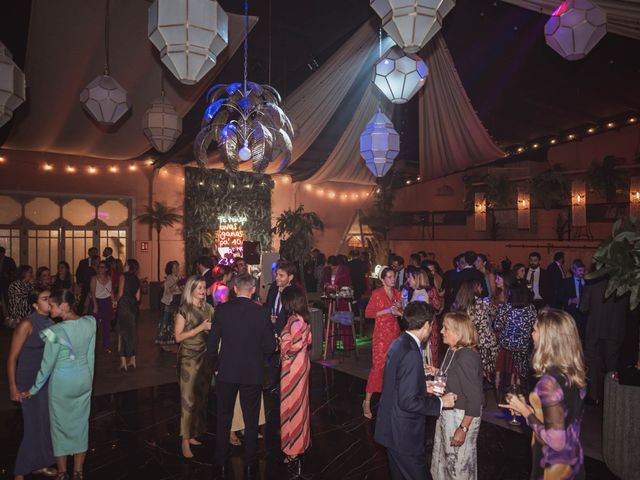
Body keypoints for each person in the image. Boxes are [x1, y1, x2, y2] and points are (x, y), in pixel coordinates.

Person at [500, 309, 587, 480]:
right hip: (574, 461)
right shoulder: (573, 372)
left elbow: (556, 440)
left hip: (552, 467)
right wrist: (530, 408)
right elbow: (563, 413)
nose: (531, 335)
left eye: (534, 330)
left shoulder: (549, 382)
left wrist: (526, 412)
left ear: (547, 338)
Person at [375, 302, 456, 480]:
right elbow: (408, 401)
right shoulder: (411, 352)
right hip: (404, 435)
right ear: (427, 324)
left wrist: (421, 382)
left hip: (390, 428)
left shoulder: (399, 342)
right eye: (433, 325)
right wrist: (442, 402)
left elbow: (396, 383)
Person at [22, 289, 96, 480]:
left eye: (52, 305)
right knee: (81, 426)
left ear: (63, 306)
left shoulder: (55, 332)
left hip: (62, 385)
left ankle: (62, 473)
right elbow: (90, 356)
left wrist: (33, 389)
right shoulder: (90, 323)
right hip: (83, 380)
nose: (50, 309)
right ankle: (78, 472)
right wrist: (89, 380)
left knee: (59, 428)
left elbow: (46, 366)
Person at [208, 274, 277, 474]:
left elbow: (212, 345)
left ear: (235, 289)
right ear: (253, 290)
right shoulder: (261, 312)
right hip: (252, 372)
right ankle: (249, 459)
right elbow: (269, 347)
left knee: (223, 416)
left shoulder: (222, 310)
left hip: (226, 371)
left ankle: (219, 459)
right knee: (251, 417)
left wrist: (215, 367)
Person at [7, 287, 57, 479]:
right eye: (45, 299)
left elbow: (56, 350)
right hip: (27, 380)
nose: (49, 301)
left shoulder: (50, 322)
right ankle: (20, 471)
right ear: (35, 305)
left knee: (44, 422)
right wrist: (13, 387)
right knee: (33, 425)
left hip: (44, 379)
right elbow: (11, 358)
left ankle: (41, 463)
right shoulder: (26, 324)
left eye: (50, 298)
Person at [431, 312, 484, 480]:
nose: (441, 331)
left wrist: (463, 428)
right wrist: (437, 373)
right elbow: (454, 377)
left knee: (458, 467)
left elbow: (475, 399)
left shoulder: (466, 356)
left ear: (458, 332)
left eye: (446, 328)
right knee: (444, 461)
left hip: (461, 416)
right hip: (448, 411)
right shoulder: (452, 350)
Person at [173, 276, 213, 458]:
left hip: (204, 357)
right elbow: (178, 337)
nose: (203, 291)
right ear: (191, 290)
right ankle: (184, 441)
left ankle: (194, 433)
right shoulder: (183, 310)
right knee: (187, 400)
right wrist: (200, 328)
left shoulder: (209, 309)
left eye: (204, 287)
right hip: (188, 358)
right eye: (199, 288)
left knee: (200, 398)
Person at [580, 276, 628, 405]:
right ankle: (613, 397)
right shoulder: (624, 283)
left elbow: (583, 307)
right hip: (615, 329)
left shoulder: (593, 283)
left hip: (595, 329)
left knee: (592, 363)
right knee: (612, 364)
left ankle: (593, 396)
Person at [279, 286, 312, 473]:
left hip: (293, 369)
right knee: (300, 405)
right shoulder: (303, 319)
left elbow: (298, 343)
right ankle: (302, 442)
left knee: (291, 406)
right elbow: (308, 341)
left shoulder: (293, 320)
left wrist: (285, 352)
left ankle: (293, 450)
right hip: (302, 365)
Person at [363, 267, 402, 419]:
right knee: (378, 367)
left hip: (394, 334)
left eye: (394, 277)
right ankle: (367, 401)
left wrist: (399, 311)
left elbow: (399, 312)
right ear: (383, 279)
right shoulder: (377, 294)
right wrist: (388, 311)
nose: (393, 279)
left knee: (393, 368)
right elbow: (368, 313)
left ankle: (389, 401)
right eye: (390, 277)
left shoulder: (397, 293)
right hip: (380, 336)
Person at [452, 280, 498, 383]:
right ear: (475, 289)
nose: (482, 289)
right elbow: (496, 312)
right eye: (480, 287)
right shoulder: (483, 303)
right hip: (486, 343)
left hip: (467, 343)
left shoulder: (460, 307)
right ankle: (487, 375)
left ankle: (474, 377)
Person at [494, 283, 537, 390]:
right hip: (524, 345)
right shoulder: (531, 308)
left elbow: (497, 326)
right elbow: (535, 326)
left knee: (501, 345)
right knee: (526, 349)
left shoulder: (505, 308)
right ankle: (518, 379)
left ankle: (503, 378)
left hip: (507, 344)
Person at [406, 268, 441, 367]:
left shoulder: (421, 295)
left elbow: (420, 316)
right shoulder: (416, 292)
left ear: (417, 279)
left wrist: (401, 312)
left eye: (410, 277)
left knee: (424, 360)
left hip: (422, 331)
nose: (408, 280)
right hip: (419, 330)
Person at [115, 259, 141, 371]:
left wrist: (114, 300)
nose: (124, 266)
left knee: (121, 333)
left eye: (125, 264)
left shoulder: (123, 277)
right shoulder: (137, 279)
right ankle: (133, 360)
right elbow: (138, 298)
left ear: (130, 266)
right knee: (132, 333)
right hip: (133, 308)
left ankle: (123, 362)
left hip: (123, 308)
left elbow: (120, 294)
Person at [157, 261, 182, 351]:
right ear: (171, 269)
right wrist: (178, 284)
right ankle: (163, 342)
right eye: (175, 267)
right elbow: (168, 291)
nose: (177, 269)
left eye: (177, 267)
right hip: (169, 302)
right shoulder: (169, 278)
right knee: (166, 322)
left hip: (177, 302)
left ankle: (173, 341)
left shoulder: (178, 277)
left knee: (174, 322)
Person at [90, 261, 114, 353]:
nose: (100, 269)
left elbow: (110, 291)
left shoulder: (109, 278)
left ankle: (106, 346)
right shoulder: (94, 278)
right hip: (97, 301)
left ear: (107, 269)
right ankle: (92, 347)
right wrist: (95, 305)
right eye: (99, 267)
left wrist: (113, 301)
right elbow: (92, 293)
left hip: (106, 302)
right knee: (94, 326)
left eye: (103, 267)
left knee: (106, 325)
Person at [561, 259, 588, 343]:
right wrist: (571, 300)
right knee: (569, 336)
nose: (582, 273)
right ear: (573, 270)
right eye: (580, 270)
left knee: (582, 336)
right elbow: (559, 297)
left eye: (583, 271)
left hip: (584, 314)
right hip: (571, 313)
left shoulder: (587, 283)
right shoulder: (566, 282)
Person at [75, 247, 98, 315]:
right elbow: (78, 273)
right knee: (83, 299)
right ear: (89, 252)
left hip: (95, 284)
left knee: (94, 299)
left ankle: (92, 313)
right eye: (93, 252)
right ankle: (79, 314)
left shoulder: (98, 262)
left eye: (96, 252)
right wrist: (79, 282)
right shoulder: (83, 262)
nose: (94, 253)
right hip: (85, 283)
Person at [0, 245, 18, 316]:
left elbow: (15, 271)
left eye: (1, 253)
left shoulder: (9, 260)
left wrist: (8, 275)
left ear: (4, 253)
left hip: (7, 283)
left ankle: (9, 315)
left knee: (7, 299)